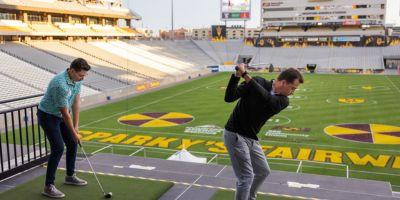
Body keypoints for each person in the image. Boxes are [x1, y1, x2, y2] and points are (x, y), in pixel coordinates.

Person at [224, 63, 304, 200]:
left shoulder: (283, 101)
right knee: (246, 177)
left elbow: (266, 98)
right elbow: (229, 97)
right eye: (292, 88)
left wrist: (246, 75)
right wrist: (237, 76)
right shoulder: (259, 81)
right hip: (235, 134)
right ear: (283, 83)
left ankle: (250, 197)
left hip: (251, 138)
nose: (293, 92)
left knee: (263, 171)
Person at [38, 58, 91, 198]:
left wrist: (76, 127)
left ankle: (70, 176)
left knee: (73, 142)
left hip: (60, 115)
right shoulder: (59, 84)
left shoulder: (77, 80)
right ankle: (48, 186)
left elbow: (76, 103)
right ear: (72, 70)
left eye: (84, 76)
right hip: (48, 116)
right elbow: (65, 114)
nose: (82, 78)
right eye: (80, 75)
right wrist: (73, 133)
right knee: (58, 148)